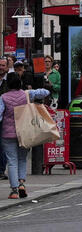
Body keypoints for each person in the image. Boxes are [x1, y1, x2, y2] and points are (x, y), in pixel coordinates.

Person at [0, 70, 52, 199]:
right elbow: (46, 92)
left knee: (12, 161)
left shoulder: (3, 98)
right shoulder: (27, 94)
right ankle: (22, 183)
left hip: (8, 134)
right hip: (25, 132)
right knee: (22, 159)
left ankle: (14, 190)